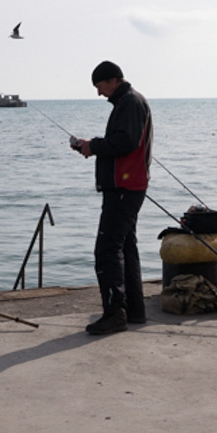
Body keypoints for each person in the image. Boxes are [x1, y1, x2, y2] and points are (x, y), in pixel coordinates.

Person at [70, 60, 153, 335]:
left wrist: (92, 146)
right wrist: (91, 146)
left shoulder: (129, 102)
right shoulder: (129, 101)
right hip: (130, 186)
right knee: (126, 246)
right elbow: (125, 142)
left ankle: (115, 314)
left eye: (100, 86)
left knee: (107, 250)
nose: (98, 93)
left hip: (124, 188)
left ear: (113, 80)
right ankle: (134, 310)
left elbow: (125, 142)